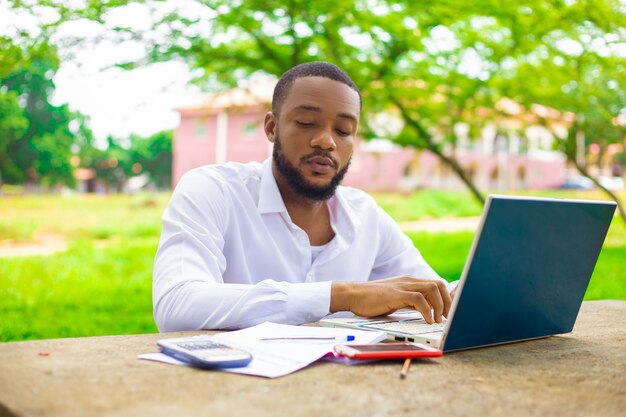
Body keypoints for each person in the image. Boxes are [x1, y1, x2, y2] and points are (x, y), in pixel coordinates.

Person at [153, 61, 454, 332]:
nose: (326, 141)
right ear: (272, 128)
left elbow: (431, 292)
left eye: (343, 130)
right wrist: (343, 296)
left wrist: (474, 291)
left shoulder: (365, 215)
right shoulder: (212, 190)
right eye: (306, 123)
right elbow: (177, 304)